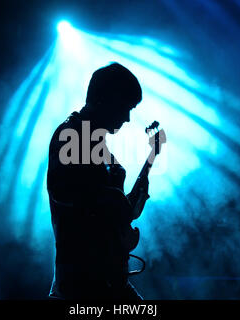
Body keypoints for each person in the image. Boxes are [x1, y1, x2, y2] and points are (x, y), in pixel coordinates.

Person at [47, 63, 149, 300]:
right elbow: (65, 192)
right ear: (106, 98)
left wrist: (136, 193)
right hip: (81, 287)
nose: (127, 117)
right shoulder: (71, 134)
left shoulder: (98, 145)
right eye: (126, 107)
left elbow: (121, 213)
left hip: (107, 282)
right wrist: (113, 198)